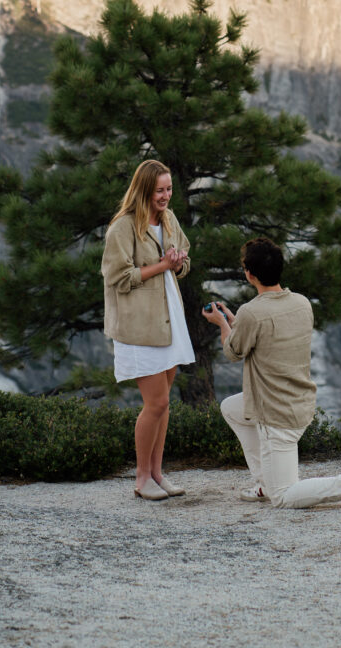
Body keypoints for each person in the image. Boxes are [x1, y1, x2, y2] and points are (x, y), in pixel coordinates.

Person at [202, 236, 341, 510]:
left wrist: (222, 322)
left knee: (283, 497)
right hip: (299, 402)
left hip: (275, 415)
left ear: (249, 274)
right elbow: (266, 333)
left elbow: (233, 352)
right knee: (232, 408)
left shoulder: (252, 313)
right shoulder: (302, 303)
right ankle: (264, 482)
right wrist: (236, 321)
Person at [102, 159, 194, 501]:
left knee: (164, 404)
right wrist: (163, 265)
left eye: (169, 189)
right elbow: (119, 278)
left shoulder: (169, 220)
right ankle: (142, 479)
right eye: (160, 190)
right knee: (155, 403)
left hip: (168, 319)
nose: (166, 196)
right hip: (140, 326)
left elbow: (183, 259)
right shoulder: (122, 229)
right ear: (144, 190)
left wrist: (179, 261)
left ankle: (157, 473)